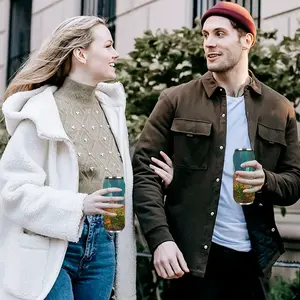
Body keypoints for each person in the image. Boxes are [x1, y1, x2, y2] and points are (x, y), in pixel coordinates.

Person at [132, 2, 300, 300]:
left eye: (220, 34)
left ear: (246, 40)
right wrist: (160, 239)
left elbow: (294, 182)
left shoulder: (279, 108)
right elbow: (144, 172)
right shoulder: (175, 99)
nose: (209, 42)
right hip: (192, 261)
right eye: (206, 35)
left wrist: (266, 182)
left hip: (253, 262)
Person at [0, 16, 170, 300]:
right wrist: (79, 205)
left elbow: (116, 180)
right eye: (108, 45)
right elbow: (13, 192)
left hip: (104, 243)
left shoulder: (111, 110)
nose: (116, 54)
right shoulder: (40, 113)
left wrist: (161, 183)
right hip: (51, 247)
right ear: (81, 53)